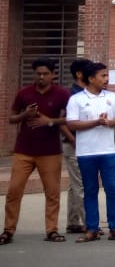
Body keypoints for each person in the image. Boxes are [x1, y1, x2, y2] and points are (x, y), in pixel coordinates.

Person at [2, 58, 73, 245]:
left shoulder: (62, 94)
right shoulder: (24, 93)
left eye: (45, 74)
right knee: (14, 190)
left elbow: (70, 120)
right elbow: (11, 118)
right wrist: (25, 115)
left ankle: (52, 230)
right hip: (24, 150)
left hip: (50, 151)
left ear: (53, 75)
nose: (41, 77)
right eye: (38, 74)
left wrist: (48, 121)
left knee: (52, 192)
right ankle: (8, 230)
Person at [66, 62, 115, 242]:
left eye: (106, 75)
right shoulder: (76, 99)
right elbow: (72, 123)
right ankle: (92, 228)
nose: (106, 79)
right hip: (86, 152)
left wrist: (110, 122)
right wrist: (96, 122)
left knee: (113, 190)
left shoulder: (112, 97)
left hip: (108, 151)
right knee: (90, 190)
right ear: (91, 78)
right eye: (102, 76)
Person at [61, 58, 88, 233]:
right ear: (79, 73)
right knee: (82, 185)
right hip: (74, 144)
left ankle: (72, 221)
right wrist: (72, 139)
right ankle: (89, 223)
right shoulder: (70, 94)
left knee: (75, 184)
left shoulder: (87, 93)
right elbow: (62, 120)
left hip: (85, 144)